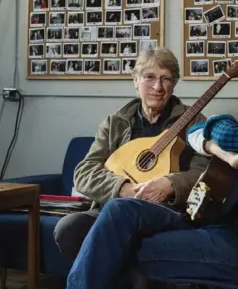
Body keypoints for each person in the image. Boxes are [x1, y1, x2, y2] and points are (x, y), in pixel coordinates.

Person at [64, 45, 238, 289]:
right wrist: (223, 152)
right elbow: (199, 132)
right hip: (227, 226)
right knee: (118, 211)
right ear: (135, 82)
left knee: (120, 247)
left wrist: (217, 148)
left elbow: (224, 133)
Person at [53, 48, 210, 262]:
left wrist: (171, 184)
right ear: (135, 81)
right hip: (113, 209)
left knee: (125, 228)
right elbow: (84, 171)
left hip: (167, 211)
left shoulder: (195, 121)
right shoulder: (115, 123)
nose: (158, 87)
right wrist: (122, 188)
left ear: (174, 84)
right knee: (68, 228)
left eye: (166, 79)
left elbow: (204, 173)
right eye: (149, 77)